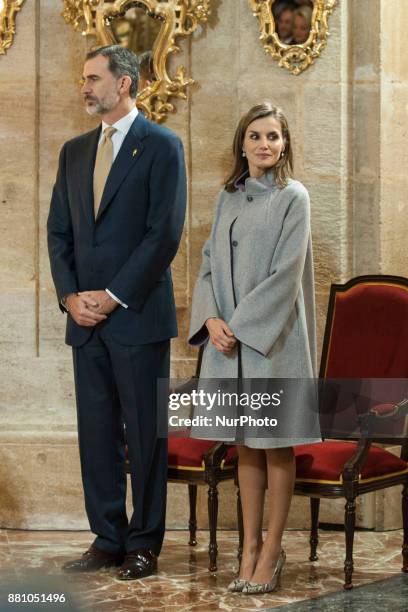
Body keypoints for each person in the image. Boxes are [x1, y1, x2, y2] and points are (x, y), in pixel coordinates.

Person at [47, 44, 186, 580]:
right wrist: (70, 296)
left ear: (123, 83)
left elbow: (163, 235)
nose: (83, 87)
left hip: (137, 316)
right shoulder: (74, 151)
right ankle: (107, 538)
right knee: (97, 433)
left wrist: (114, 295)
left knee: (145, 433)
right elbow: (59, 231)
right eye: (83, 78)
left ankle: (144, 542)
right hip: (84, 322)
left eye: (91, 78)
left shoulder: (162, 146)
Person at [188, 102, 319, 594]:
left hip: (272, 343)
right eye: (257, 136)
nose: (266, 144)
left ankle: (271, 551)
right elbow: (206, 263)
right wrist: (210, 318)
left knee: (275, 446)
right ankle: (247, 548)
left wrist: (239, 326)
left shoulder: (294, 197)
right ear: (242, 143)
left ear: (285, 144)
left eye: (275, 137)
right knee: (244, 445)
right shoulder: (228, 197)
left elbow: (286, 275)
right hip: (226, 344)